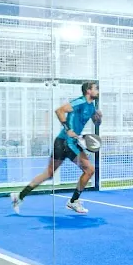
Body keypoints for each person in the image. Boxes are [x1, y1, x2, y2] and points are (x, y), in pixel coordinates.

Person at [12, 81, 102, 215]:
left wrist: (99, 118)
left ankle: (19, 196)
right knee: (89, 170)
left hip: (65, 142)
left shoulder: (91, 106)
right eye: (96, 89)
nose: (98, 91)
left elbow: (96, 122)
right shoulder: (80, 102)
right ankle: (73, 201)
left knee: (49, 173)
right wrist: (68, 128)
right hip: (67, 142)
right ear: (88, 91)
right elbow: (59, 110)